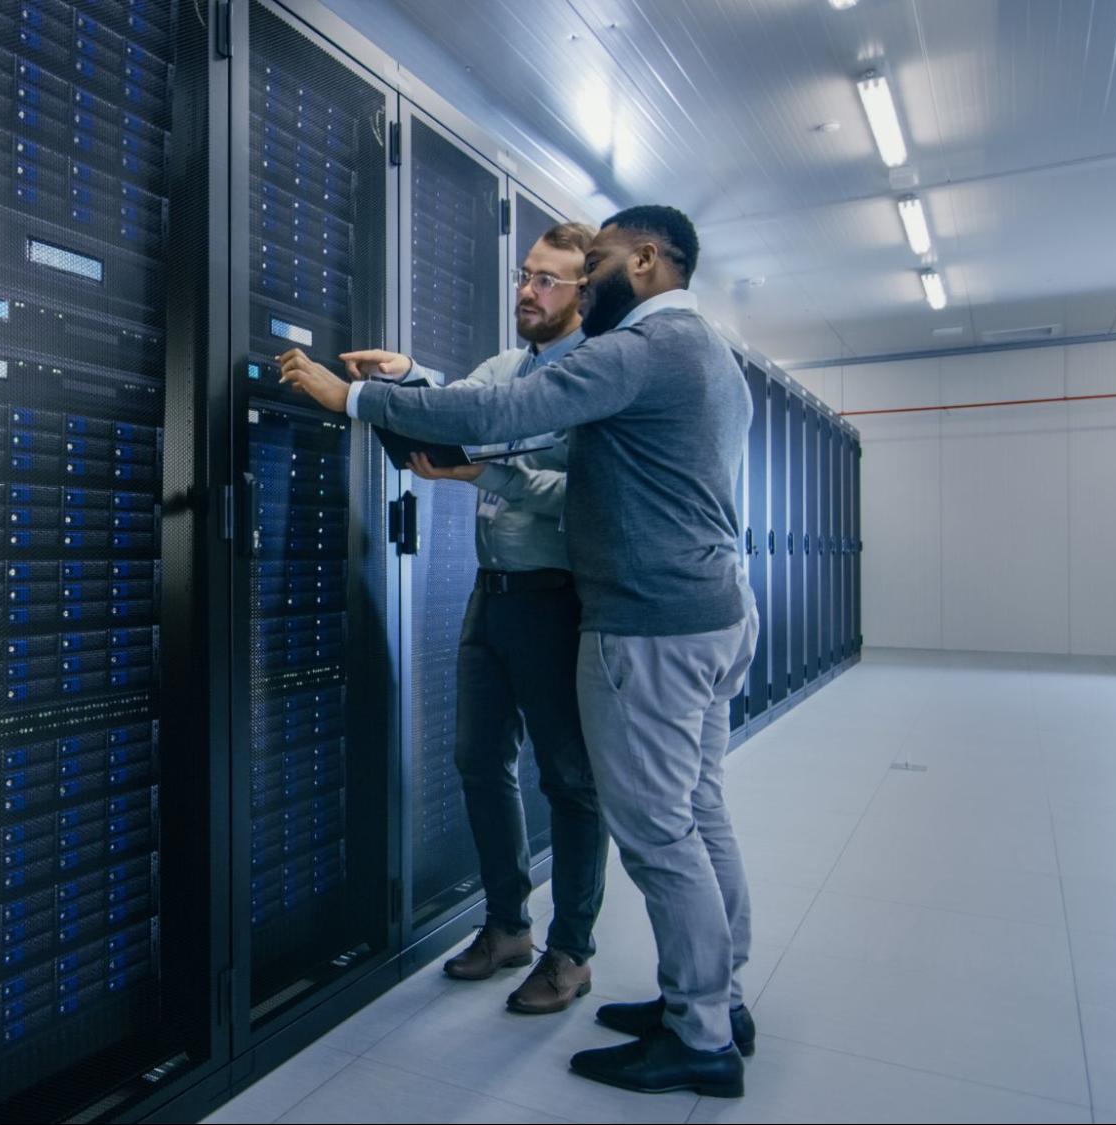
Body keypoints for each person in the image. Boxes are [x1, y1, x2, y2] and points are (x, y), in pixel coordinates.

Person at [276, 205, 758, 1099]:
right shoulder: (709, 352)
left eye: (589, 265)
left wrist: (355, 400)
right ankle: (714, 1001)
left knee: (656, 829)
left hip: (648, 617)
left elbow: (509, 411)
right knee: (696, 809)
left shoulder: (638, 349)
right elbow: (498, 390)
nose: (548, 288)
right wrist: (418, 381)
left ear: (641, 261)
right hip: (707, 607)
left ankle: (695, 1029)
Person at [338, 223, 608, 1016]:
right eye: (524, 275)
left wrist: (490, 471)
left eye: (547, 281)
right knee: (476, 759)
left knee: (567, 779)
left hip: (555, 596)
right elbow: (472, 399)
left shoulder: (595, 376)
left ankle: (571, 951)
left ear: (583, 294)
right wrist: (410, 375)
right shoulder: (512, 366)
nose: (526, 291)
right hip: (491, 595)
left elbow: (588, 497)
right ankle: (506, 925)